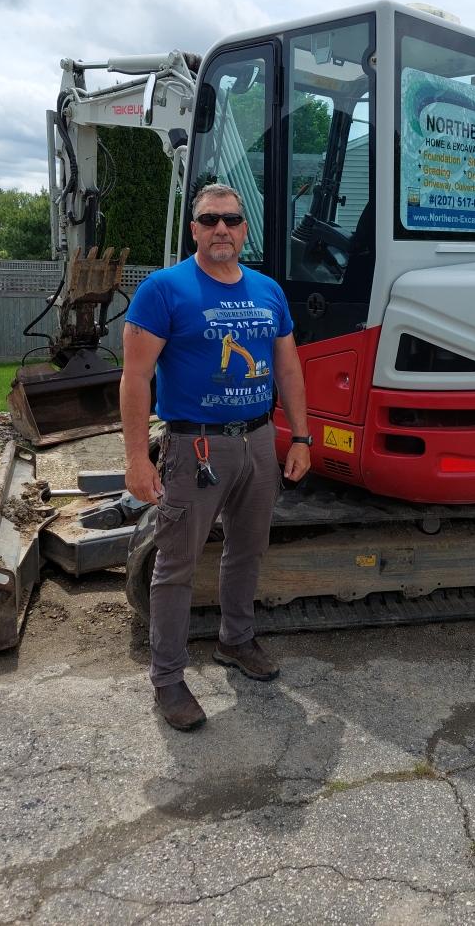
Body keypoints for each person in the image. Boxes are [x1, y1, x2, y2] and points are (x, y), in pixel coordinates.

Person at [121, 183, 312, 731]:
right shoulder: (164, 289)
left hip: (258, 440)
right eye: (210, 220)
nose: (221, 229)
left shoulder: (268, 291)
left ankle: (235, 640)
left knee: (247, 550)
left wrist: (299, 437)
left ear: (244, 228)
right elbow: (135, 378)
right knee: (177, 564)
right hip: (195, 444)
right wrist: (137, 458)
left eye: (231, 219)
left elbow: (288, 367)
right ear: (194, 230)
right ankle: (168, 677)